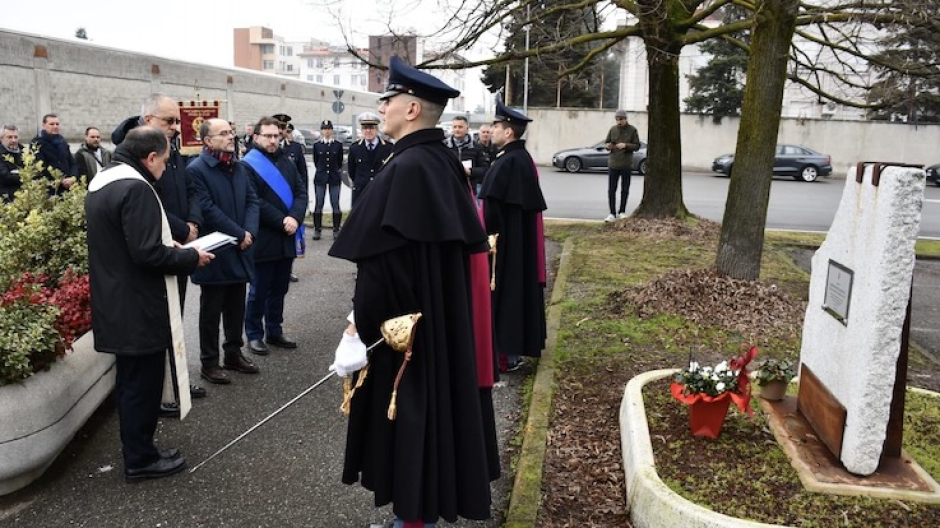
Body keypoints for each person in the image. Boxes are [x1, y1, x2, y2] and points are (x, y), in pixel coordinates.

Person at [328, 55, 498, 527]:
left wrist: (358, 328)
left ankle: (412, 521)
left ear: (412, 109)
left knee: (411, 423)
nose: (381, 109)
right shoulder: (436, 160)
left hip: (405, 330)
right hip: (433, 319)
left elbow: (383, 265)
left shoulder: (409, 167)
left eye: (389, 100)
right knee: (427, 419)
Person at [85, 126, 214, 483]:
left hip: (116, 300)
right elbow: (148, 254)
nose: (165, 168)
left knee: (131, 383)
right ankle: (140, 459)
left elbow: (126, 243)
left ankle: (142, 449)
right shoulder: (136, 187)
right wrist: (190, 257)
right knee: (142, 386)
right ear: (151, 156)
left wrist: (170, 248)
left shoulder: (105, 179)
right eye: (165, 161)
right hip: (138, 306)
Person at [113, 93, 207, 412]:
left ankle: (178, 382)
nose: (176, 126)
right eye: (169, 120)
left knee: (176, 321)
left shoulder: (172, 148)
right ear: (148, 119)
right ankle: (164, 393)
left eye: (177, 120)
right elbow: (151, 203)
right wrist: (182, 229)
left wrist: (193, 222)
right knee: (161, 326)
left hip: (179, 245)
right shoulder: (136, 154)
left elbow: (190, 189)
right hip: (160, 249)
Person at [187, 118, 261, 385]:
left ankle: (233, 353)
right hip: (215, 252)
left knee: (235, 307)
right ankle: (209, 362)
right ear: (208, 141)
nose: (231, 137)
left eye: (231, 132)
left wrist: (249, 232)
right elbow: (207, 208)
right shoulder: (196, 169)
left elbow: (252, 200)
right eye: (223, 133)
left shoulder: (238, 167)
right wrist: (239, 234)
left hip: (240, 248)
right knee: (211, 311)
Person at [479, 99, 548, 373]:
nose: (492, 130)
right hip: (513, 242)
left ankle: (504, 355)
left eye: (496, 126)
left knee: (506, 295)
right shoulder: (517, 158)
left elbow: (492, 207)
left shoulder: (510, 160)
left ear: (508, 132)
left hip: (504, 246)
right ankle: (508, 353)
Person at [241, 116, 307, 356]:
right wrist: (283, 221)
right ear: (256, 137)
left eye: (276, 136)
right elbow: (253, 201)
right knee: (259, 289)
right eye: (267, 136)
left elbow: (301, 192)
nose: (272, 140)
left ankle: (274, 330)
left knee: (280, 288)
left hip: (287, 236)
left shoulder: (287, 161)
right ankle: (254, 334)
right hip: (264, 236)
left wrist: (295, 217)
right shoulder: (247, 165)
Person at [347, 112, 392, 206]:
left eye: (371, 127)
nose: (368, 131)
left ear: (377, 129)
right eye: (365, 128)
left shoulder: (388, 148)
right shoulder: (355, 148)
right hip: (361, 192)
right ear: (361, 130)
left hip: (381, 191)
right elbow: (352, 171)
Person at [603, 109, 641, 221]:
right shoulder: (613, 129)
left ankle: (622, 211)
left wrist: (626, 145)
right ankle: (612, 213)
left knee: (625, 189)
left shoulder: (632, 130)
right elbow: (606, 142)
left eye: (621, 119)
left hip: (626, 164)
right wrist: (608, 146)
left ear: (625, 119)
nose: (619, 122)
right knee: (611, 190)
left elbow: (637, 145)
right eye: (617, 119)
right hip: (613, 164)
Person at [311, 119, 344, 240]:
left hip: (334, 177)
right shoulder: (317, 145)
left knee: (335, 203)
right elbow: (316, 161)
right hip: (321, 178)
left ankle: (336, 229)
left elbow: (339, 161)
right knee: (319, 203)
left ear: (332, 130)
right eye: (325, 129)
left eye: (329, 129)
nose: (327, 131)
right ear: (321, 131)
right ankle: (317, 229)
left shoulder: (338, 145)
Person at [31, 113, 77, 195]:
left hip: (67, 188)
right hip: (49, 189)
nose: (55, 126)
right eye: (52, 124)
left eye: (57, 124)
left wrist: (72, 177)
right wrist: (60, 180)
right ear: (44, 125)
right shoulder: (37, 143)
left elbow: (72, 163)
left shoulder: (62, 142)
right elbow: (40, 167)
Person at [443, 115, 489, 193]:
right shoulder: (445, 146)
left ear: (467, 129)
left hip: (468, 190)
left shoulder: (476, 147)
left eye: (460, 127)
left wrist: (470, 171)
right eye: (455, 127)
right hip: (449, 189)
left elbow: (484, 169)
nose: (457, 129)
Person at [0, 124, 25, 201]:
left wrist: (16, 173)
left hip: (25, 197)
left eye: (15, 137)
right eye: (9, 137)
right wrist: (24, 175)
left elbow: (34, 172)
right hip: (6, 197)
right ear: (1, 139)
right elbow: (5, 177)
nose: (13, 140)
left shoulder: (24, 153)